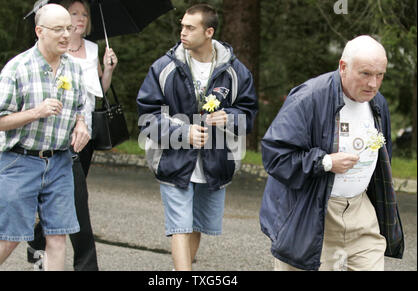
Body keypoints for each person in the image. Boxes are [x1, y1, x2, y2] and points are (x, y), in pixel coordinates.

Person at [259, 35, 404, 271]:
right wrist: (325, 162)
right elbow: (275, 156)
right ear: (343, 67)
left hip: (361, 212)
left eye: (380, 75)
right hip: (313, 211)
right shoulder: (308, 98)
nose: (373, 84)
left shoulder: (378, 103)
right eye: (365, 74)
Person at [136, 4, 258, 271]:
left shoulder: (235, 71)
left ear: (209, 32)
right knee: (180, 225)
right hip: (174, 158)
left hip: (216, 162)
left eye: (190, 28)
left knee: (196, 225)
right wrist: (183, 132)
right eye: (182, 26)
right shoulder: (164, 67)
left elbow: (249, 115)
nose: (183, 32)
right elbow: (147, 118)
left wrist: (229, 117)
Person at [0, 3, 90, 271]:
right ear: (39, 31)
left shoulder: (74, 69)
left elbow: (79, 109)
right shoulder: (17, 68)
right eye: (58, 29)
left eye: (69, 28)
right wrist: (35, 112)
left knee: (58, 234)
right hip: (20, 162)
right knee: (10, 237)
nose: (66, 35)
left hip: (60, 162)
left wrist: (81, 124)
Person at [26, 0, 118, 271]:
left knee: (70, 196)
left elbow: (99, 88)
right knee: (77, 200)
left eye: (83, 14)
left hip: (85, 129)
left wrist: (108, 68)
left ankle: (38, 237)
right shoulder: (51, 51)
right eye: (74, 13)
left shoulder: (92, 48)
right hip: (58, 131)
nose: (79, 18)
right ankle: (86, 265)